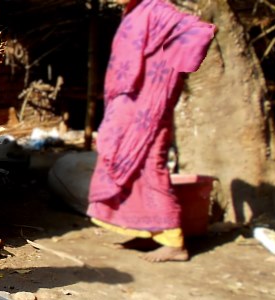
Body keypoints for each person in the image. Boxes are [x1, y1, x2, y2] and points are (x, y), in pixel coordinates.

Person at [87, 0, 215, 262]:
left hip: (149, 107)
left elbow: (197, 32)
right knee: (132, 171)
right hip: (129, 106)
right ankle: (148, 232)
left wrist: (166, 77)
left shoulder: (158, 10)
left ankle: (174, 241)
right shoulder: (135, 13)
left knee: (151, 168)